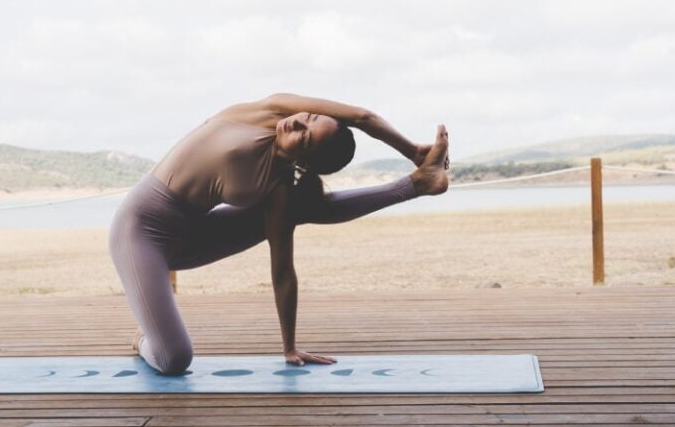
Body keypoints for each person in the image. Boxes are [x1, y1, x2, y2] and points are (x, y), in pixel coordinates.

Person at [108, 93, 450, 375]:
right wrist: (413, 152)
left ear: (305, 160)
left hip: (192, 238)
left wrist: (289, 345)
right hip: (140, 232)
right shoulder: (268, 111)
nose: (298, 122)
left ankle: (416, 186)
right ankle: (144, 340)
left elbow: (283, 271)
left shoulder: (279, 188)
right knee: (174, 360)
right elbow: (361, 117)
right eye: (309, 117)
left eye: (306, 134)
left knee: (299, 207)